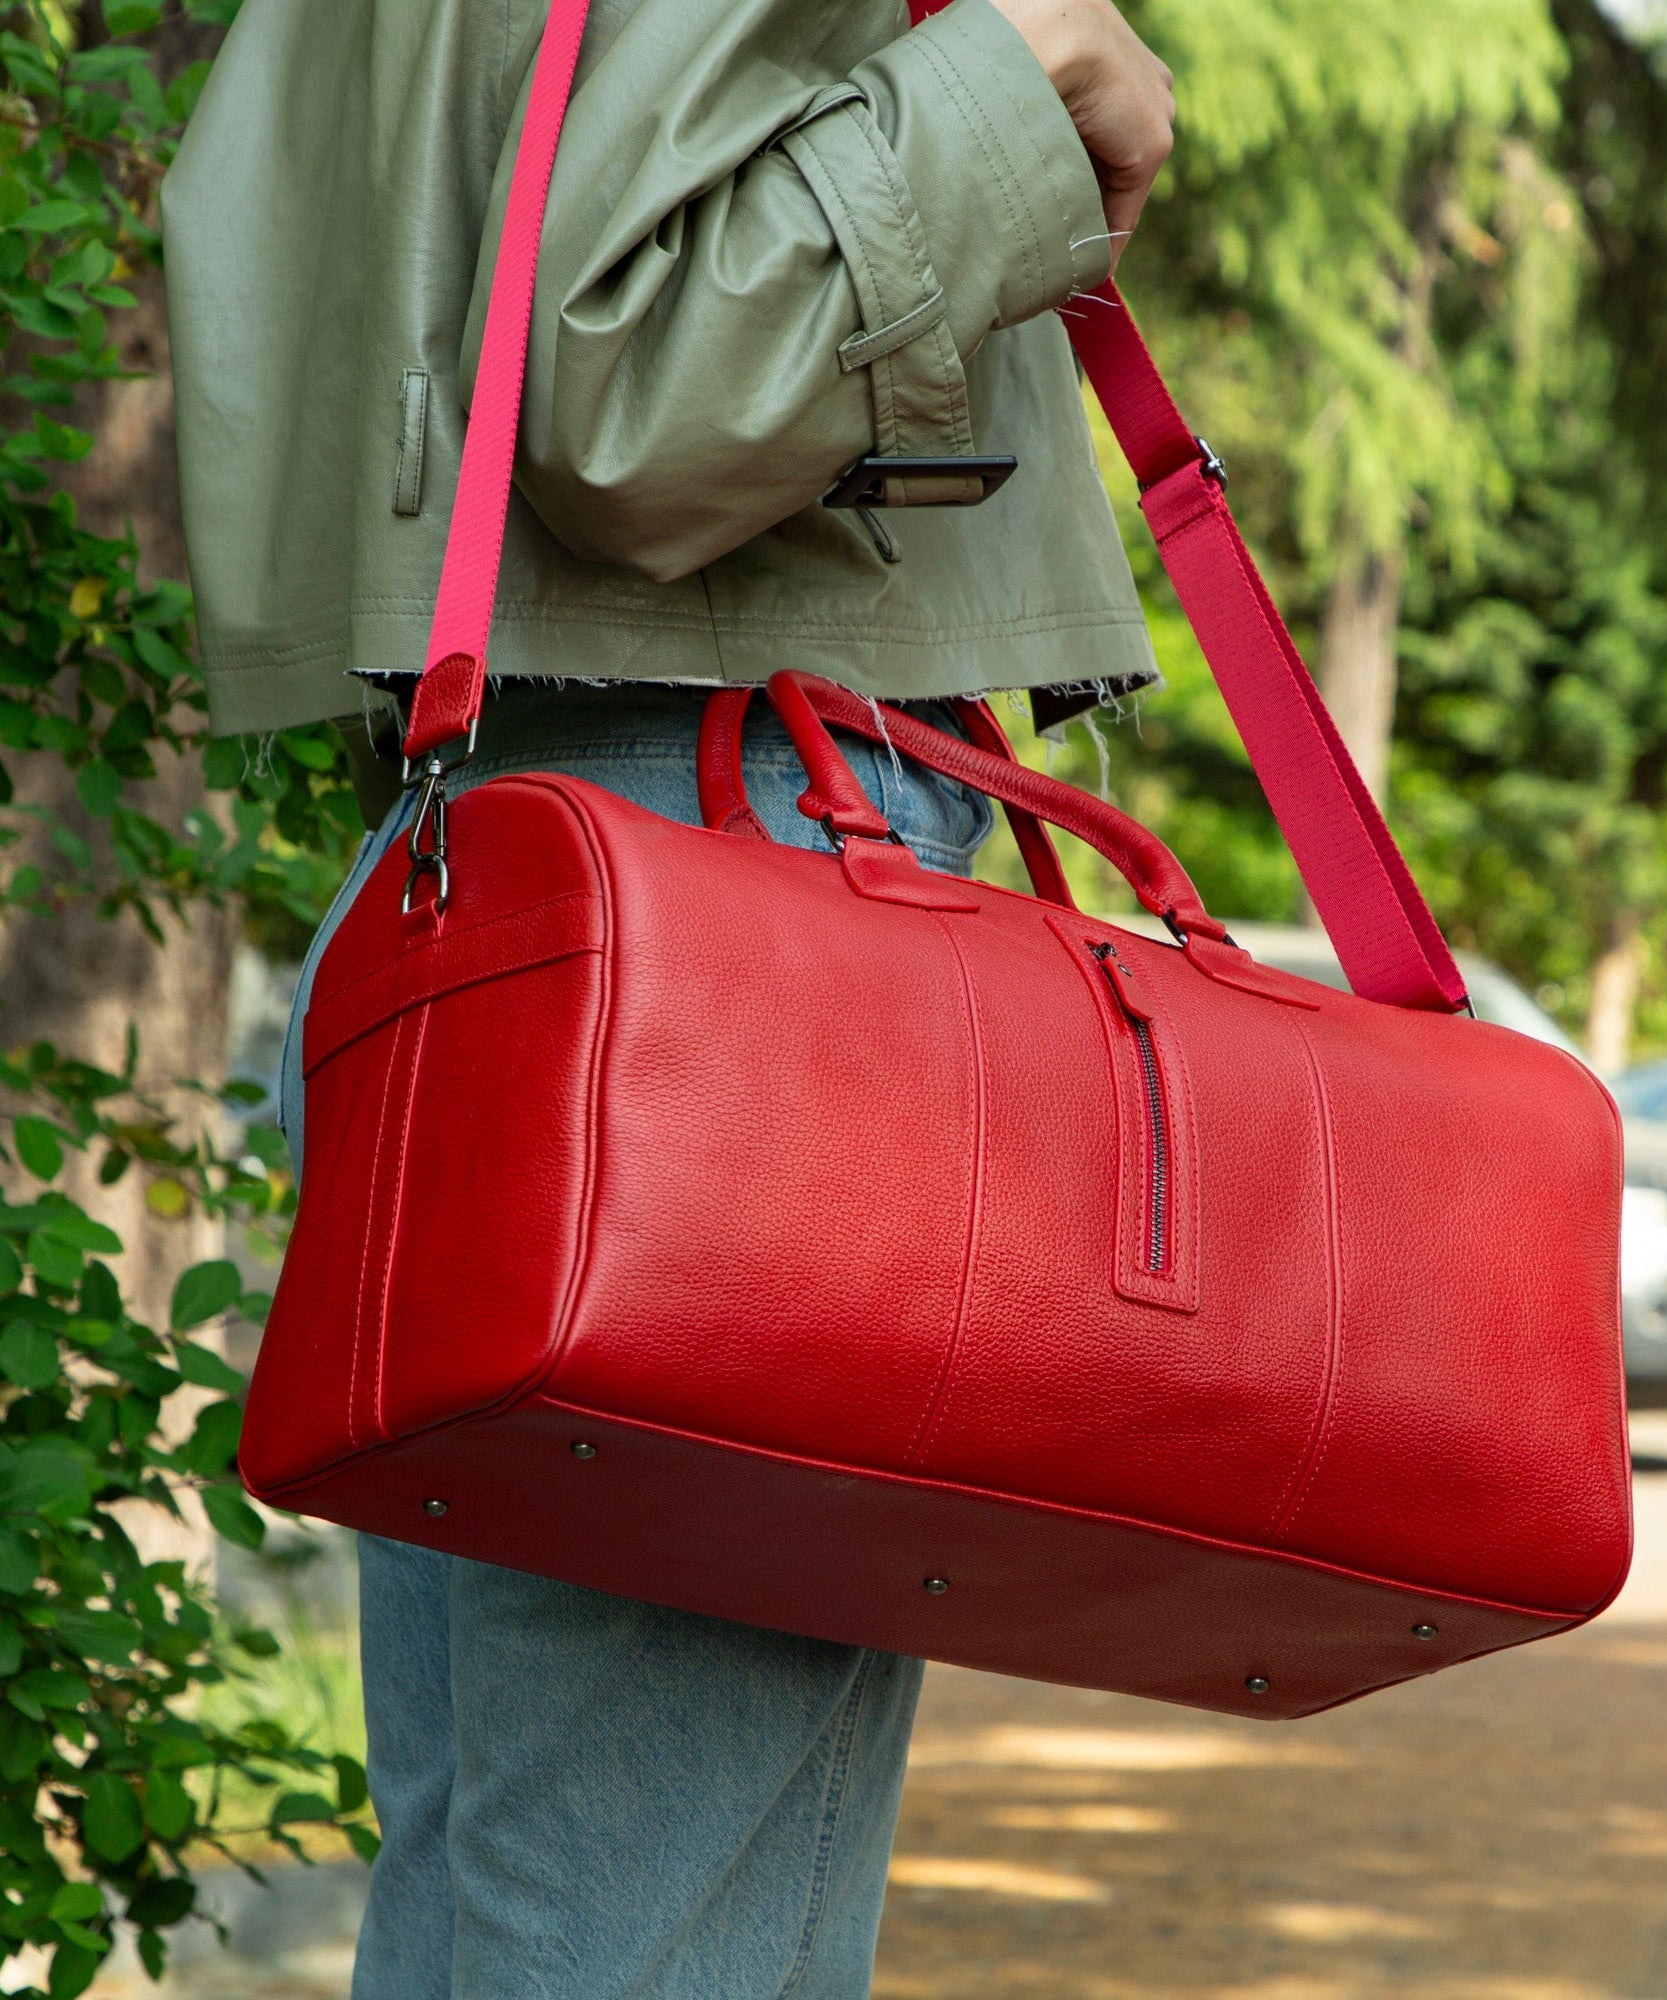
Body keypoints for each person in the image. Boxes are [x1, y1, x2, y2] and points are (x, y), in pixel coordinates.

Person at [163, 0, 1175, 1991]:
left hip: (537, 885)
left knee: (526, 1905)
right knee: (632, 1926)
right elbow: (650, 392)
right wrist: (1044, 67)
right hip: (728, 919)